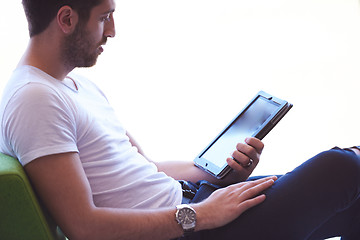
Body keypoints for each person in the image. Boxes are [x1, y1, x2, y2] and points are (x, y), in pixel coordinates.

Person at [0, 0, 359, 239]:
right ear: (66, 19)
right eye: (104, 17)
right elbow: (83, 226)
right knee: (342, 167)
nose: (112, 31)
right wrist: (201, 216)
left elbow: (147, 167)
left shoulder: (75, 85)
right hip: (189, 229)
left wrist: (217, 172)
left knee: (352, 202)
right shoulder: (34, 99)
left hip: (191, 205)